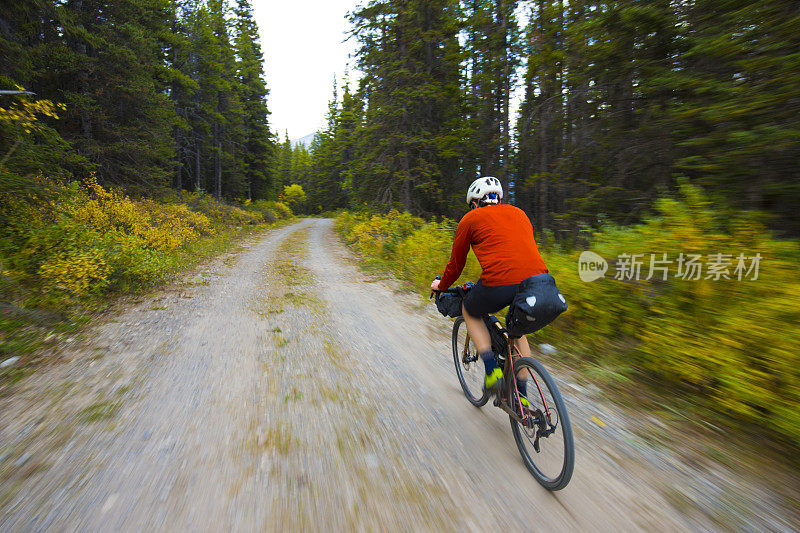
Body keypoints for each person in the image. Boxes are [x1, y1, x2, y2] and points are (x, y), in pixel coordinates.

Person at [430, 176, 549, 400]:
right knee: (517, 331)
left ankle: (492, 371)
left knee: (470, 309)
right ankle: (521, 397)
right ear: (499, 199)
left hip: (500, 282)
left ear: (475, 202)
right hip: (540, 284)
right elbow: (517, 253)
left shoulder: (470, 219)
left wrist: (441, 285)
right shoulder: (520, 213)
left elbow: (456, 266)